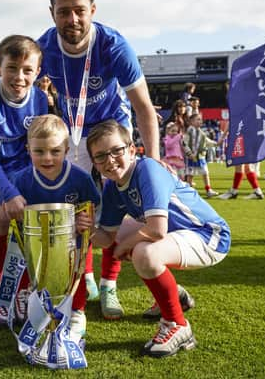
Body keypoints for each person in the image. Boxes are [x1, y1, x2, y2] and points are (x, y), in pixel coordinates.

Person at [37, 0, 160, 319]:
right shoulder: (43, 47)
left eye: (79, 10)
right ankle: (85, 275)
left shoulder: (114, 46)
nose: (72, 19)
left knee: (115, 205)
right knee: (76, 206)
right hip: (73, 133)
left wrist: (153, 160)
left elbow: (144, 108)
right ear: (52, 13)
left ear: (92, 10)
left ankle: (109, 284)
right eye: (64, 12)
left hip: (111, 129)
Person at [86, 119, 230, 357]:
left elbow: (156, 231)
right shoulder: (112, 187)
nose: (109, 160)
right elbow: (107, 238)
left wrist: (125, 246)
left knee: (144, 252)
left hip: (209, 235)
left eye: (116, 151)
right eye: (100, 156)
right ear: (94, 162)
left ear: (132, 150)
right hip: (181, 236)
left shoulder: (147, 169)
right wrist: (84, 228)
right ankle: (176, 296)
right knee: (126, 235)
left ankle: (177, 325)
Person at [0, 34, 47, 323]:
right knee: (0, 220)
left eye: (27, 70)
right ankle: (1, 291)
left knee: (27, 223)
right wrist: (8, 192)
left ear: (37, 72)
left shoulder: (39, 98)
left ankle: (25, 290)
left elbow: (38, 143)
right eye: (12, 68)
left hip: (23, 163)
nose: (19, 76)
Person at [5, 114, 100, 339]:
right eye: (39, 151)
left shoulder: (80, 179)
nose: (47, 158)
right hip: (35, 245)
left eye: (55, 151)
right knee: (34, 272)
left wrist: (85, 222)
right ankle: (34, 304)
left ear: (66, 150)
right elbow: (10, 209)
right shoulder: (20, 180)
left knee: (72, 276)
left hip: (70, 244)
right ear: (28, 149)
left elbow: (92, 207)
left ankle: (77, 312)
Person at [185, 113, 221, 197]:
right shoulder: (189, 131)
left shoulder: (201, 132)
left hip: (200, 156)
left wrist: (216, 143)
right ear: (191, 122)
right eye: (197, 119)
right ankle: (188, 190)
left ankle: (208, 190)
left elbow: (207, 141)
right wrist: (189, 153)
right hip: (192, 157)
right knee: (190, 174)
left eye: (200, 119)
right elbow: (184, 143)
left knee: (205, 173)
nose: (200, 121)